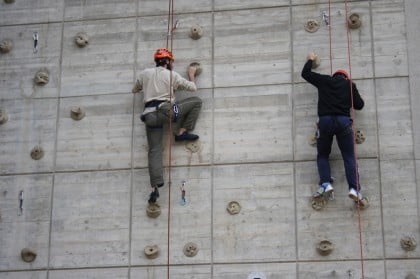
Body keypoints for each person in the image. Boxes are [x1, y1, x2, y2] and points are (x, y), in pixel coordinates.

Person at [132, 48, 202, 204]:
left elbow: (135, 89)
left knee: (154, 151)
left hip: (149, 117)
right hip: (169, 112)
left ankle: (155, 188)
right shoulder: (172, 75)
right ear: (168, 61)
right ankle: (182, 132)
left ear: (157, 61)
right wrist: (191, 74)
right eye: (172, 62)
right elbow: (192, 88)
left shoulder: (144, 74)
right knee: (196, 101)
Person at [301, 52, 365, 202]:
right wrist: (350, 94)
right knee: (348, 156)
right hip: (343, 122)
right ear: (345, 77)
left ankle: (325, 184)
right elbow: (360, 105)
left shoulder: (324, 80)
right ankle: (354, 189)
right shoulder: (350, 85)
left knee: (323, 155)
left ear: (335, 75)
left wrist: (310, 59)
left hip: (325, 122)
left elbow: (305, 74)